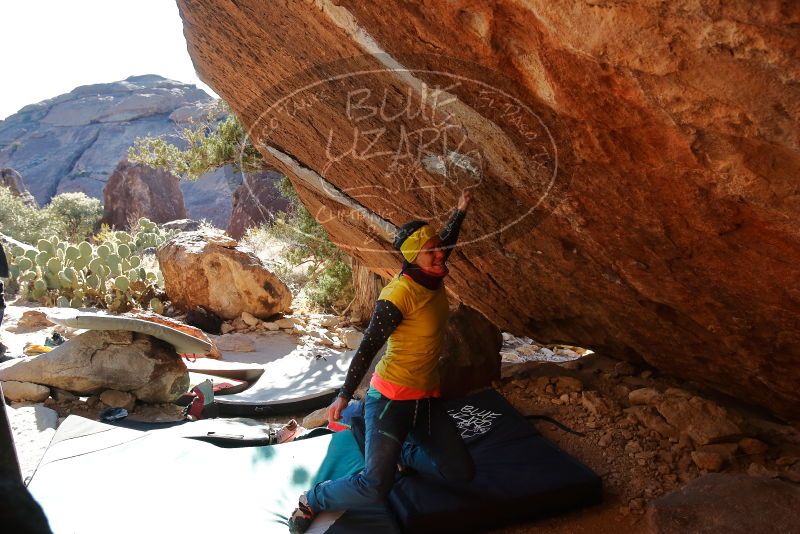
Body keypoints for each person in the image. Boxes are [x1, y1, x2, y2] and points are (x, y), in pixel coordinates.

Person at [288, 191, 475, 533]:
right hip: (390, 401)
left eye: (437, 247)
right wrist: (344, 395)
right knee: (376, 485)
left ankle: (399, 452)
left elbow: (445, 241)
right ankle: (312, 498)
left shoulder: (433, 274)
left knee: (460, 472)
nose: (439, 254)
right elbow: (368, 347)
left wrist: (460, 210)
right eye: (429, 251)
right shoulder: (398, 295)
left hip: (427, 400)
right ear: (412, 259)